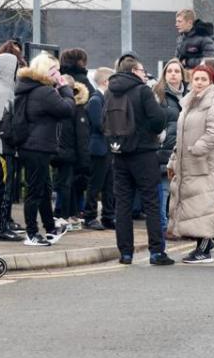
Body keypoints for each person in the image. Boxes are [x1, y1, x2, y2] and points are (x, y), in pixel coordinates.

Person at [108, 55, 172, 265]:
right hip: (143, 153)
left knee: (123, 205)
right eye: (143, 71)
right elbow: (158, 119)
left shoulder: (111, 90)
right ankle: (156, 252)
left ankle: (125, 253)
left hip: (119, 153)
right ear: (135, 71)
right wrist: (149, 132)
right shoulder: (142, 90)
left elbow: (102, 120)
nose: (145, 74)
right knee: (151, 203)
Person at [167, 65, 214, 263]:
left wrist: (196, 149)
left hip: (207, 166)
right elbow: (181, 137)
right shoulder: (189, 102)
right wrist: (174, 159)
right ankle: (205, 245)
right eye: (196, 79)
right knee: (195, 208)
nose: (199, 83)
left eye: (203, 79)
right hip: (190, 165)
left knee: (205, 208)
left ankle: (204, 250)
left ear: (211, 81)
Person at [14, 53, 75, 247]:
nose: (58, 73)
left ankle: (50, 228)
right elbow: (67, 109)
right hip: (38, 147)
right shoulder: (44, 92)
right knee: (35, 191)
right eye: (54, 69)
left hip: (31, 145)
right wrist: (65, 87)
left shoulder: (30, 88)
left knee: (43, 189)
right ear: (45, 70)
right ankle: (32, 233)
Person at [0, 53, 23, 241]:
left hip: (2, 146)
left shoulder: (5, 87)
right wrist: (15, 142)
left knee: (1, 186)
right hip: (4, 148)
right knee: (4, 188)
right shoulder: (4, 90)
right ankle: (0, 227)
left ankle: (0, 223)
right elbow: (5, 123)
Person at [154, 59, 187, 240]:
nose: (173, 74)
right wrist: (161, 137)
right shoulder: (159, 94)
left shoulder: (189, 94)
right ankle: (163, 226)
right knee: (164, 191)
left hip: (185, 151)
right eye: (169, 71)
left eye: (176, 71)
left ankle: (177, 226)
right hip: (165, 150)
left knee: (180, 193)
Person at [53, 77, 91, 226]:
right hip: (66, 151)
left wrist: (83, 159)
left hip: (69, 153)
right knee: (67, 184)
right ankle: (71, 214)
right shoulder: (69, 106)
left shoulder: (76, 108)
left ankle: (66, 215)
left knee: (67, 184)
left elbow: (81, 137)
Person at [83, 67, 116, 231]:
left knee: (109, 184)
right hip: (99, 148)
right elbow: (98, 124)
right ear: (106, 82)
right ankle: (89, 216)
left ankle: (108, 216)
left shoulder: (104, 99)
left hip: (106, 147)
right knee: (95, 184)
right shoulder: (96, 100)